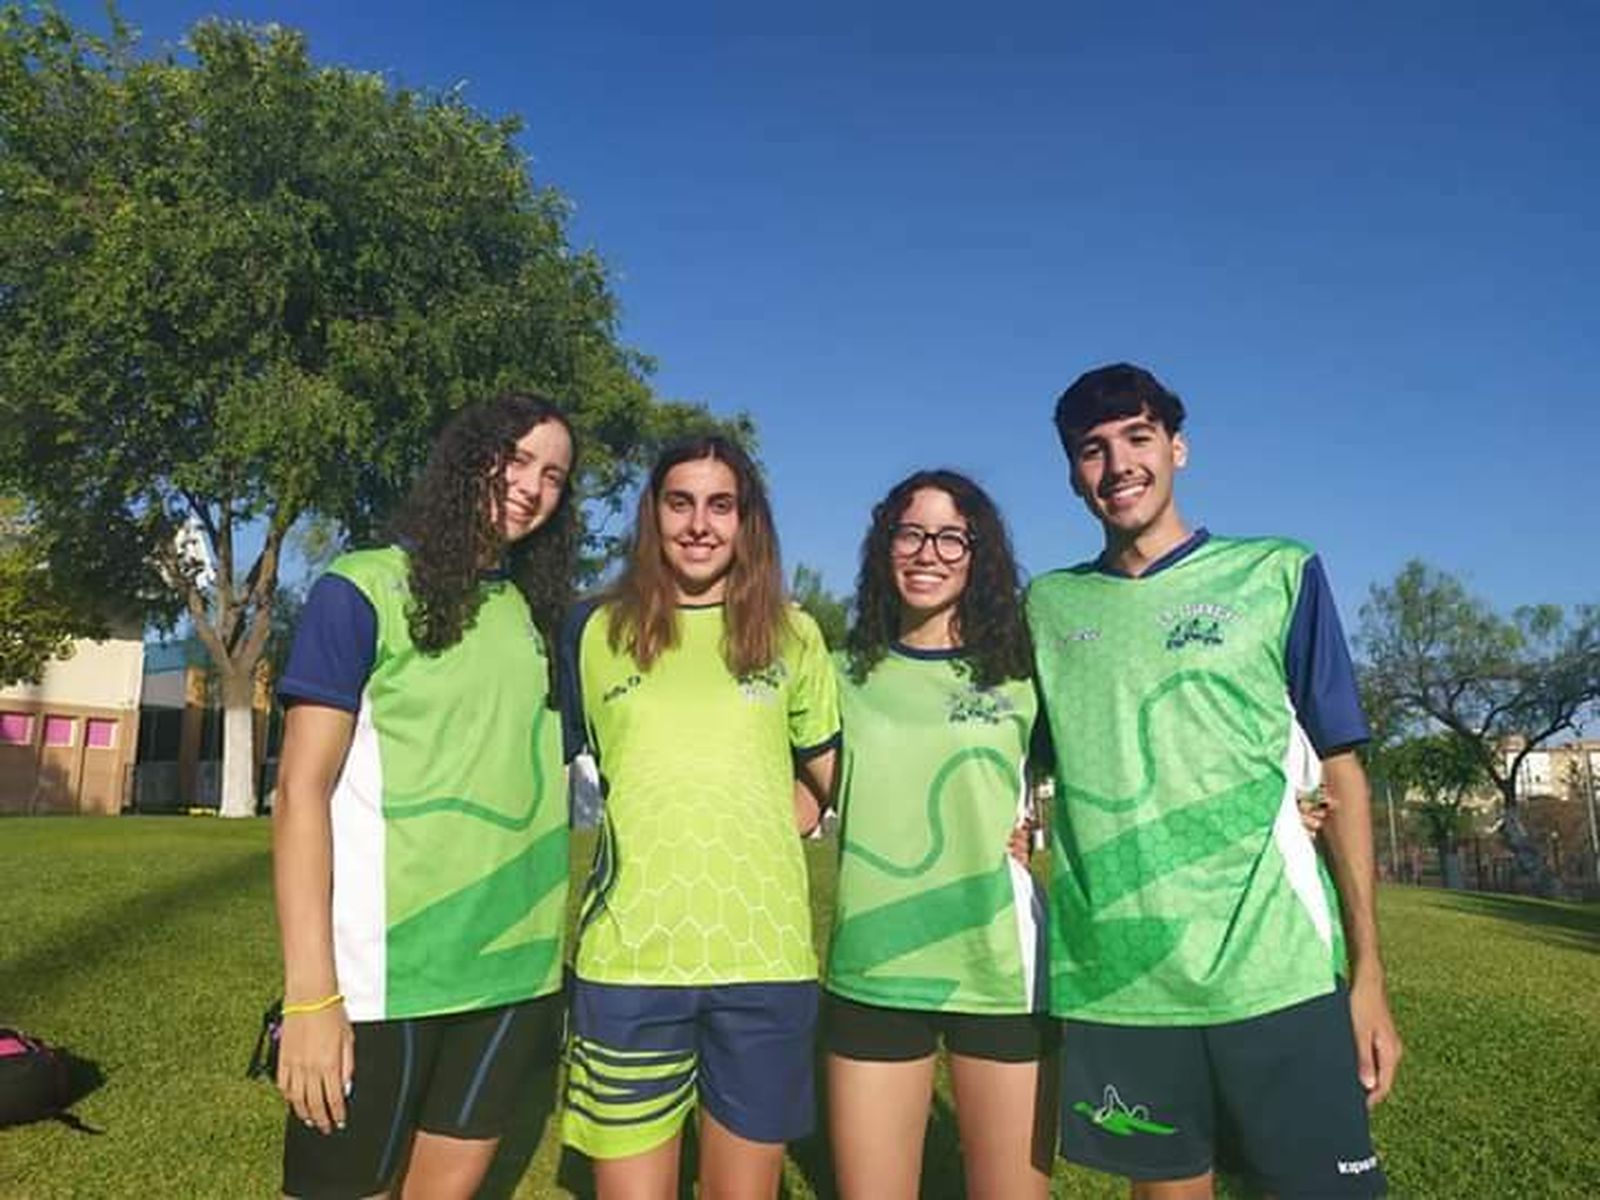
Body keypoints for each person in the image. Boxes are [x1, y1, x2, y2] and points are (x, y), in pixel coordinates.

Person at [1028, 363, 1402, 1199]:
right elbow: (999, 758)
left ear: (1178, 448)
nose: (1118, 463)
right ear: (1072, 475)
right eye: (1092, 449)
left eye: (1137, 437)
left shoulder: (1278, 574)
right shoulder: (1046, 609)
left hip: (1280, 974)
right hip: (1124, 986)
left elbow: (1341, 771)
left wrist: (1369, 976)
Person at [272, 393, 576, 1199]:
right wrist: (311, 997)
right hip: (380, 977)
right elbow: (300, 793)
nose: (532, 486)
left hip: (517, 975)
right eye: (515, 459)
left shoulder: (546, 623)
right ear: (467, 457)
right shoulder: (360, 588)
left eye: (554, 475)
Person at [559, 435, 840, 1198]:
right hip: (628, 965)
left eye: (721, 505)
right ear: (653, 514)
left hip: (764, 965)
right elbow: (522, 777)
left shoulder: (792, 633)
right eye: (680, 503)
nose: (699, 525)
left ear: (747, 522)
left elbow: (832, 779)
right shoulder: (594, 633)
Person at [810, 470, 1056, 1200]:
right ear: (885, 545)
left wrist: (1043, 839)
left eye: (953, 536)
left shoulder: (1022, 675)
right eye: (911, 533)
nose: (929, 552)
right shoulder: (837, 674)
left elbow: (1105, 777)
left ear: (980, 554)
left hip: (1002, 970)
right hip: (875, 966)